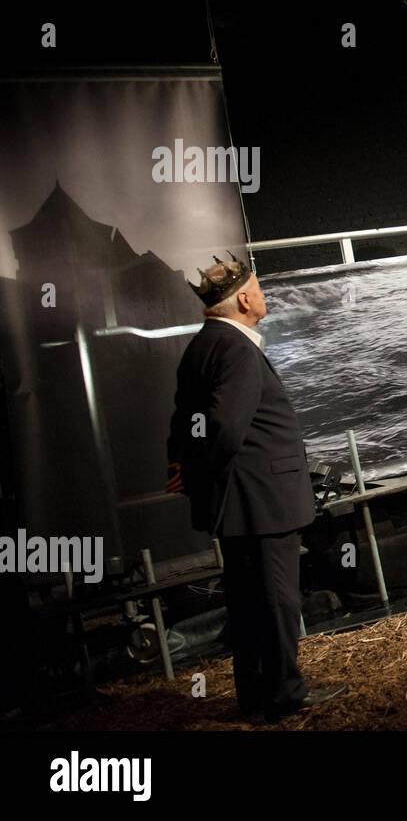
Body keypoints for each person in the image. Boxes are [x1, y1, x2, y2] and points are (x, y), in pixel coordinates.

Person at [165, 256, 345, 720]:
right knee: (277, 599)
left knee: (247, 601)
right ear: (244, 299)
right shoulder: (237, 348)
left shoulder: (202, 345)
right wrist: (198, 468)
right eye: (259, 289)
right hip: (261, 498)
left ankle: (256, 695)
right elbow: (224, 427)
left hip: (239, 501)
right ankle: (284, 693)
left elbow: (186, 419)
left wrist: (184, 462)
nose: (263, 296)